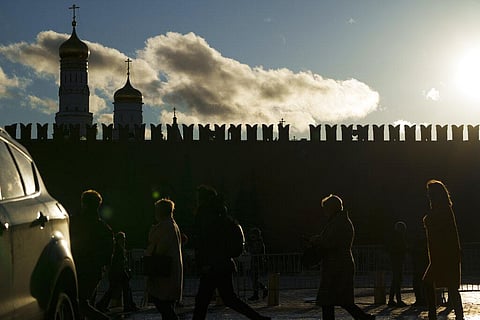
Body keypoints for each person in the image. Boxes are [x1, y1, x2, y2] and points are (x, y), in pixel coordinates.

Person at [192, 185, 270, 320]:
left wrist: (203, 262)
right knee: (228, 299)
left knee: (202, 301)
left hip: (211, 265)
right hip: (224, 263)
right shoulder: (221, 214)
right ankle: (258, 318)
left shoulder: (204, 215)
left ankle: (258, 318)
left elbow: (204, 242)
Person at [312, 194, 375, 320]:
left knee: (332, 300)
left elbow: (332, 242)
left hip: (338, 266)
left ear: (332, 208)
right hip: (338, 264)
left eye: (326, 208)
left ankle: (364, 318)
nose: (324, 212)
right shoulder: (339, 221)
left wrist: (317, 241)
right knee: (340, 300)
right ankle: (364, 318)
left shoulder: (339, 223)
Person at [422, 180, 464, 320]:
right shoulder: (443, 209)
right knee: (451, 287)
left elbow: (440, 229)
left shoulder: (443, 210)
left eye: (429, 192)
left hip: (443, 255)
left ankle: (433, 314)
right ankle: (457, 315)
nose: (428, 195)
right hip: (443, 255)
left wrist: (428, 221)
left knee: (433, 283)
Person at [70, 189, 114, 320]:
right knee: (87, 303)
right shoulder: (104, 228)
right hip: (95, 270)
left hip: (78, 268)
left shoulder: (74, 223)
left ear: (83, 203)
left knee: (80, 304)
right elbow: (108, 252)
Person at [145, 198, 183, 320]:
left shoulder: (164, 226)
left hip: (163, 269)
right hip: (170, 269)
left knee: (161, 302)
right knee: (166, 305)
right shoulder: (172, 225)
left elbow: (160, 248)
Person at [96, 232, 139, 313]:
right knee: (123, 289)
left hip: (117, 272)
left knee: (115, 289)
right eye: (123, 239)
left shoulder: (117, 248)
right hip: (118, 272)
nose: (124, 240)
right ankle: (128, 305)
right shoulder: (118, 249)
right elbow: (119, 262)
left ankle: (102, 305)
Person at [387, 221, 408, 307]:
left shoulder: (395, 237)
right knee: (397, 280)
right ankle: (397, 300)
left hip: (395, 260)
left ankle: (391, 300)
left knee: (395, 280)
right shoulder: (398, 237)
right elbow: (400, 248)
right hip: (397, 260)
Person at [246, 227, 268, 301]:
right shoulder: (256, 242)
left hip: (258, 261)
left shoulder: (259, 242)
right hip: (255, 261)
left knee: (254, 278)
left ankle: (260, 291)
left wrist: (250, 247)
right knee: (254, 279)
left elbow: (256, 251)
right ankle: (258, 292)